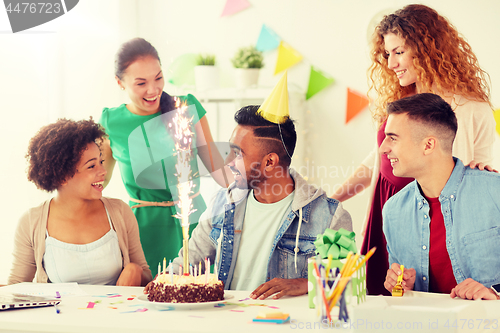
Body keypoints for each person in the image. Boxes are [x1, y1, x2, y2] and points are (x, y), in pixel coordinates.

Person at [331, 4, 496, 295]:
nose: (391, 63)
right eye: (387, 54)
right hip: (390, 207)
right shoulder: (400, 103)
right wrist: (334, 198)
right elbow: (377, 159)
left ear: (425, 48)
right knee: (394, 295)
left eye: (398, 52)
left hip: (435, 211)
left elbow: (476, 173)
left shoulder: (470, 109)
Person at [149, 74, 352, 299]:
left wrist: (307, 283)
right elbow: (188, 261)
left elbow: (349, 284)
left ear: (269, 162)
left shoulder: (331, 216)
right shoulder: (222, 203)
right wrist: (163, 282)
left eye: (237, 154)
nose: (228, 163)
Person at [100, 38, 232, 277]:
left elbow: (217, 167)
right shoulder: (111, 122)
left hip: (193, 224)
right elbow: (98, 181)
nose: (153, 90)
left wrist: (257, 192)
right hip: (142, 230)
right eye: (141, 83)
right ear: (119, 83)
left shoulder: (186, 107)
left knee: (197, 296)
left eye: (158, 78)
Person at [381, 93, 500, 300]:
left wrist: (495, 292)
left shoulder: (494, 190)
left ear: (428, 145)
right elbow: (403, 297)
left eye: (392, 138)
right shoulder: (393, 211)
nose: (383, 148)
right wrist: (403, 288)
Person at [9, 118, 152, 286]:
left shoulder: (120, 212)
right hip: (61, 313)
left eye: (101, 162)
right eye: (91, 166)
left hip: (115, 312)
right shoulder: (32, 222)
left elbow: (146, 278)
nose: (103, 171)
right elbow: (16, 287)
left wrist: (134, 272)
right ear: (62, 176)